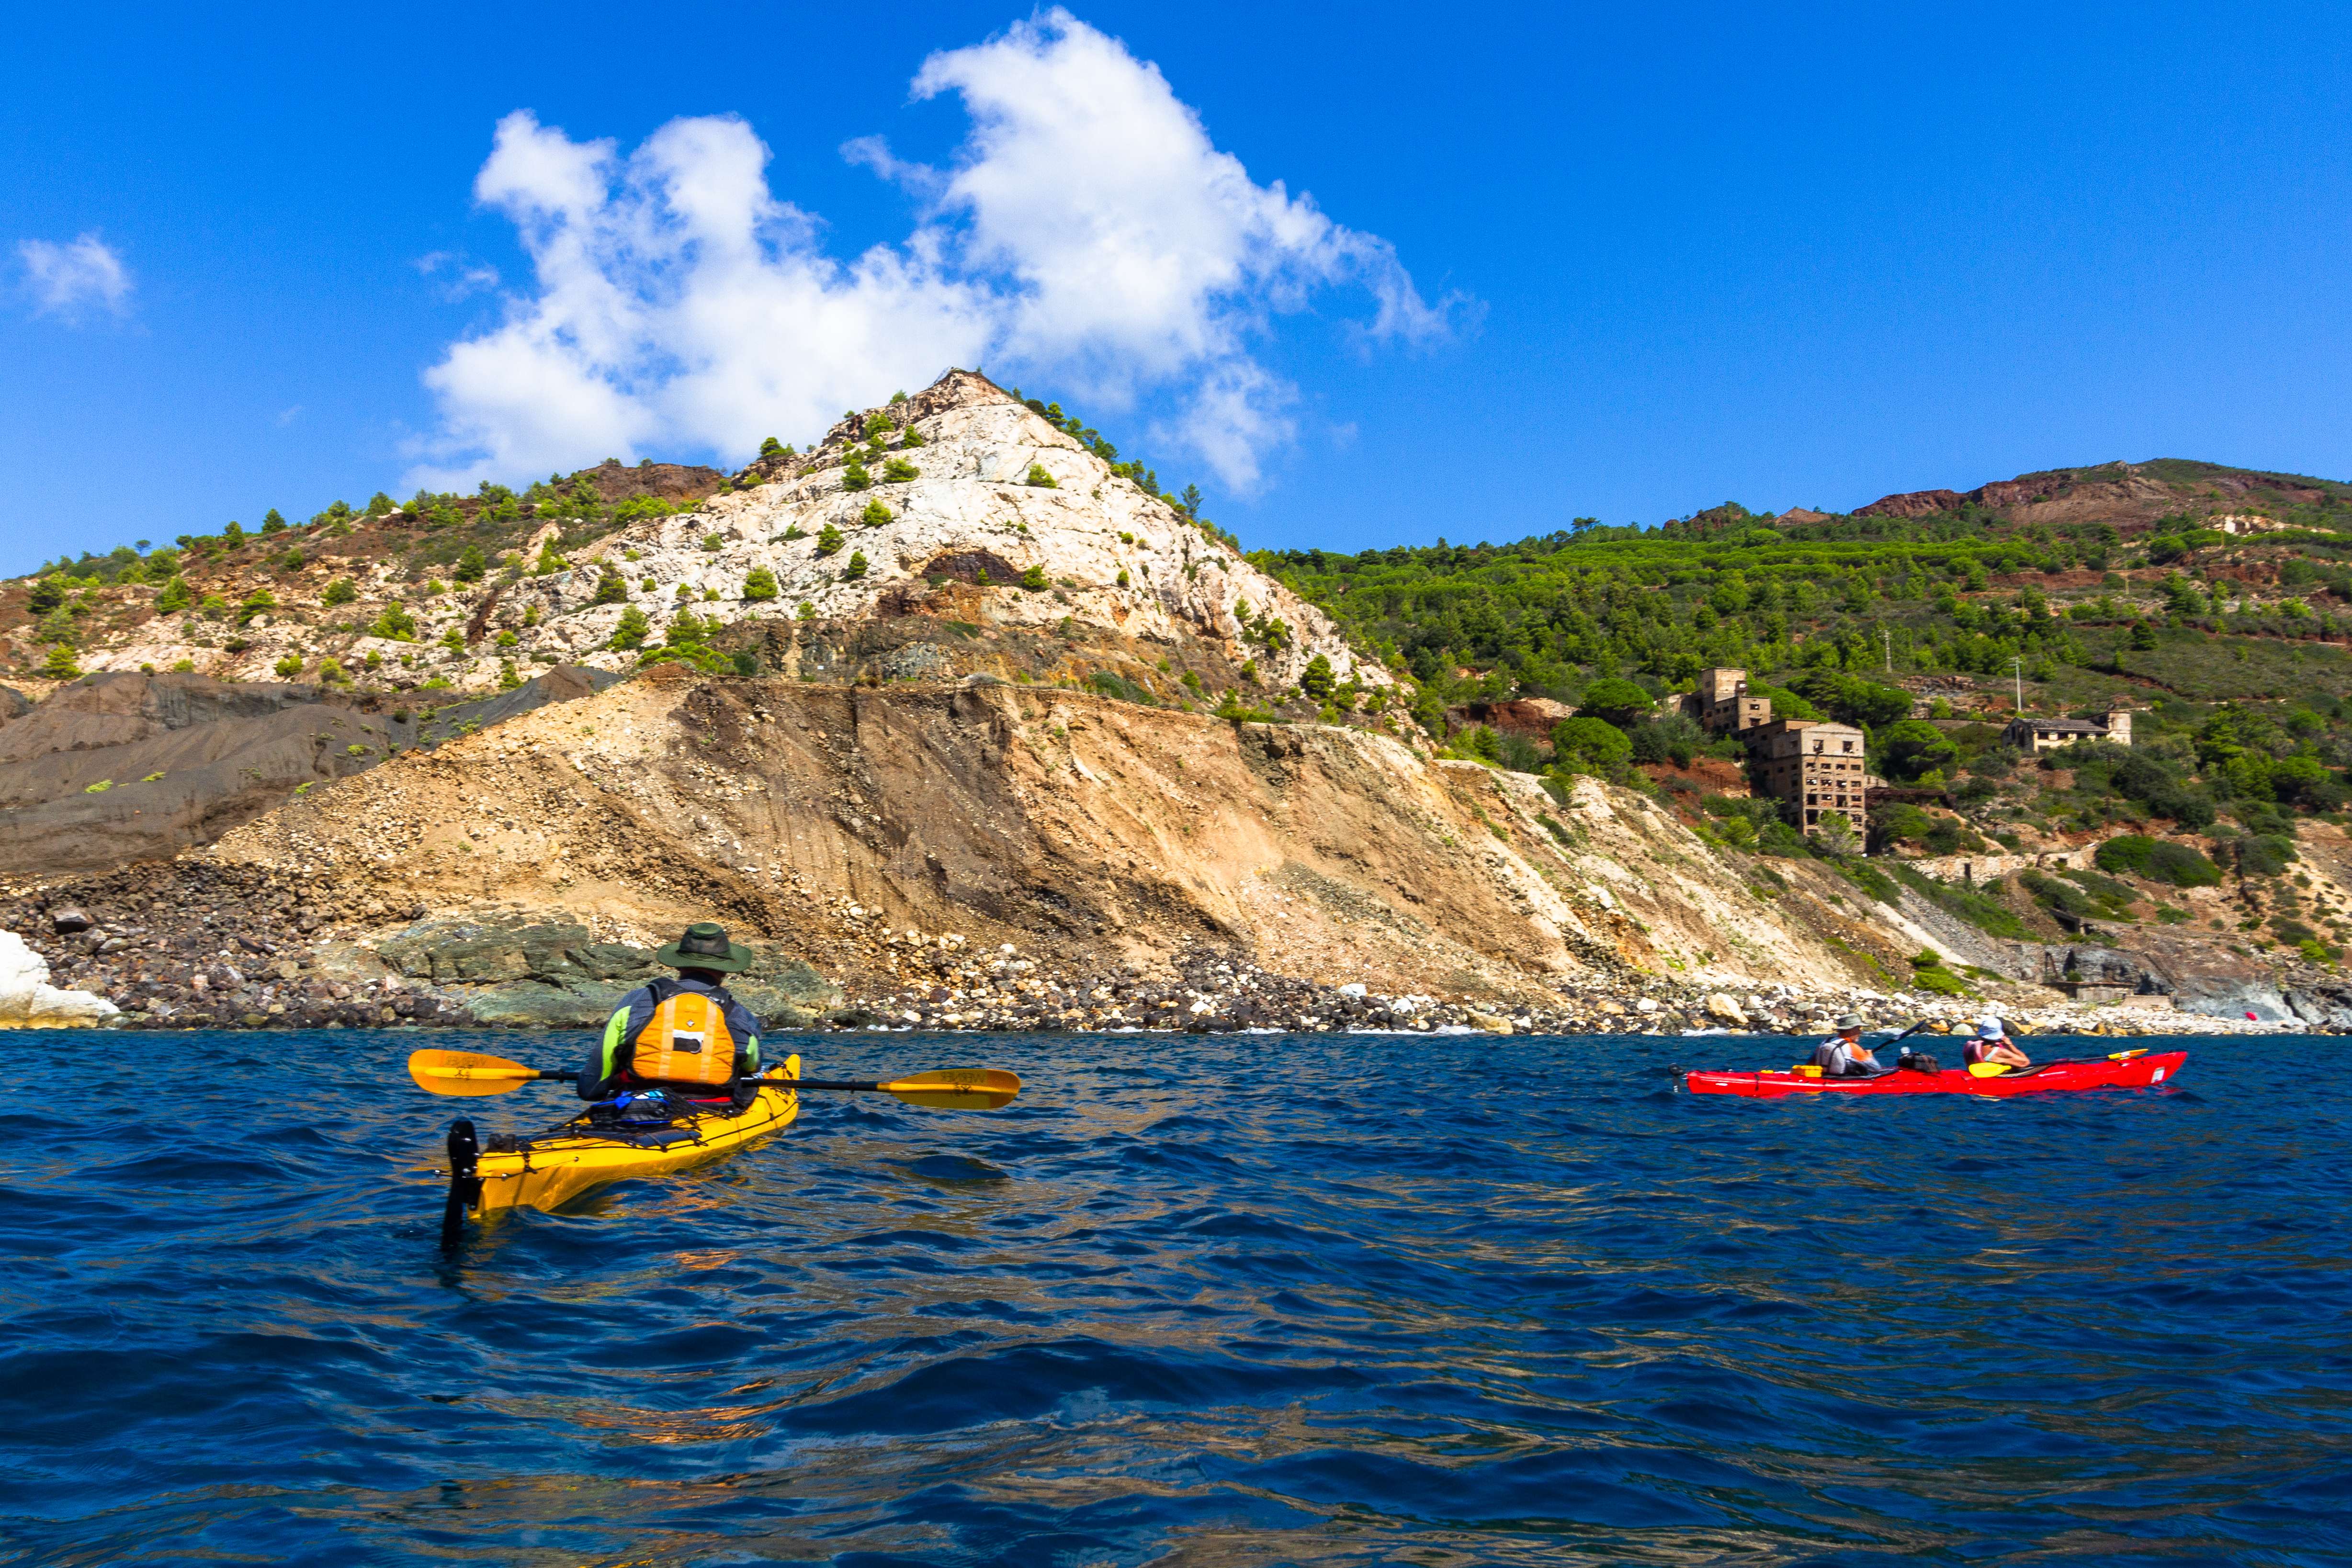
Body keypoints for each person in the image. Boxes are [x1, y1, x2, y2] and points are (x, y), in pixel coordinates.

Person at [579, 921, 767, 1108]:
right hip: (712, 1109)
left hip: (634, 1105)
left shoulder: (635, 1002)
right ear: (725, 970)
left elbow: (591, 1087)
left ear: (679, 965)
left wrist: (596, 1086)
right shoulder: (740, 1015)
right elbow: (752, 1066)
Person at [1809, 1013, 1886, 1077]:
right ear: (1851, 1030)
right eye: (1858, 1029)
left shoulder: (1826, 1042)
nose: (1860, 1032)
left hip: (1825, 1078)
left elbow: (1810, 1064)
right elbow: (1877, 1069)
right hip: (1846, 1086)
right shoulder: (1853, 1047)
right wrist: (1870, 1056)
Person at [1964, 1017, 2031, 1071]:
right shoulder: (1999, 1052)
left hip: (1977, 1075)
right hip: (1995, 1079)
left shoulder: (1970, 1044)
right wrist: (2010, 1045)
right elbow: (2025, 1062)